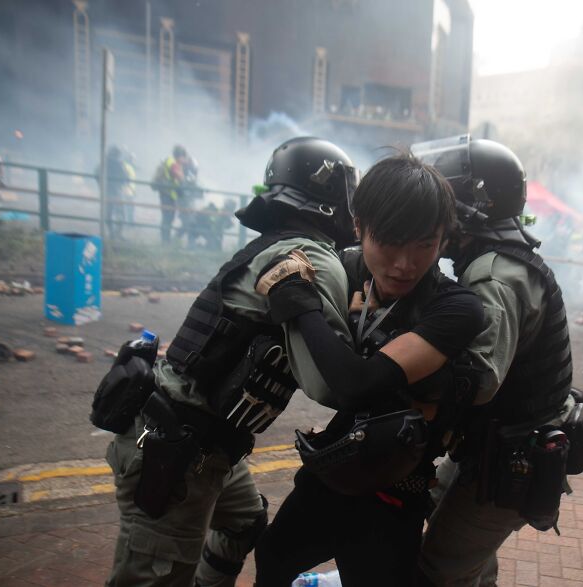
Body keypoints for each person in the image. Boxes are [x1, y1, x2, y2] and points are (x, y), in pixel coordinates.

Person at [94, 137, 359, 587]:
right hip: (176, 450)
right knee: (155, 574)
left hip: (191, 439)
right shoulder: (314, 259)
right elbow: (332, 383)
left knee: (243, 524)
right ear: (336, 198)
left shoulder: (279, 245)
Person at [253, 153, 486, 587]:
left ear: (443, 240)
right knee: (272, 557)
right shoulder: (347, 269)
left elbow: (355, 385)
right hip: (334, 468)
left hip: (395, 492)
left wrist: (303, 307)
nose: (405, 263)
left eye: (424, 244)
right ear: (359, 226)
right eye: (390, 242)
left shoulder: (457, 308)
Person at [413, 136, 583, 587]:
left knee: (439, 569)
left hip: (509, 457)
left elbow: (478, 379)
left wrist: (393, 372)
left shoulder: (495, 274)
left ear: (474, 204)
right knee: (466, 556)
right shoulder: (501, 260)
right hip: (495, 444)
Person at [154, 145, 192, 245]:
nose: (184, 159)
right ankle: (165, 241)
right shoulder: (173, 163)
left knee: (167, 218)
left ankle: (166, 240)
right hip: (167, 195)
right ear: (180, 156)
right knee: (167, 218)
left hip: (167, 194)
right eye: (183, 157)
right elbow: (179, 177)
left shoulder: (170, 161)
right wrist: (183, 177)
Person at [101, 146, 133, 241]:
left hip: (106, 192)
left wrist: (101, 185)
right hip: (116, 192)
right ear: (117, 155)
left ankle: (111, 233)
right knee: (120, 214)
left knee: (108, 213)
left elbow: (96, 173)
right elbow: (126, 177)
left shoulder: (104, 163)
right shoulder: (119, 164)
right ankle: (117, 234)